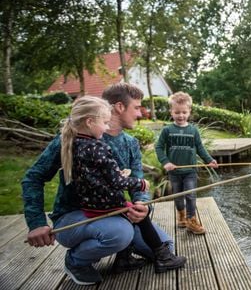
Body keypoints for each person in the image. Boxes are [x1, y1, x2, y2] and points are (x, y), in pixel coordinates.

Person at [22, 83, 178, 286]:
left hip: (114, 212)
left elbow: (137, 180)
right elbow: (33, 178)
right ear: (120, 107)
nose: (140, 114)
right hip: (74, 217)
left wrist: (142, 203)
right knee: (121, 233)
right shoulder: (71, 139)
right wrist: (36, 223)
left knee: (165, 246)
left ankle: (124, 252)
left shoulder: (130, 143)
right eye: (137, 107)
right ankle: (76, 261)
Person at [59, 96, 186, 280]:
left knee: (143, 220)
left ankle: (124, 259)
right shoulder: (97, 146)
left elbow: (95, 174)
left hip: (93, 202)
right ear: (90, 122)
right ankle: (162, 258)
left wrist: (142, 201)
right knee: (135, 221)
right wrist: (140, 183)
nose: (106, 126)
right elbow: (116, 182)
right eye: (104, 122)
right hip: (98, 205)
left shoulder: (76, 143)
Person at [155, 91, 218, 235]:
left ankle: (191, 220)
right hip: (175, 172)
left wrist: (209, 160)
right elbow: (158, 147)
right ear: (171, 111)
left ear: (189, 111)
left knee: (191, 195)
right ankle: (181, 216)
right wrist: (165, 162)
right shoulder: (167, 130)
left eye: (184, 112)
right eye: (177, 112)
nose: (181, 115)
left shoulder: (193, 130)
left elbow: (200, 148)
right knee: (178, 196)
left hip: (190, 171)